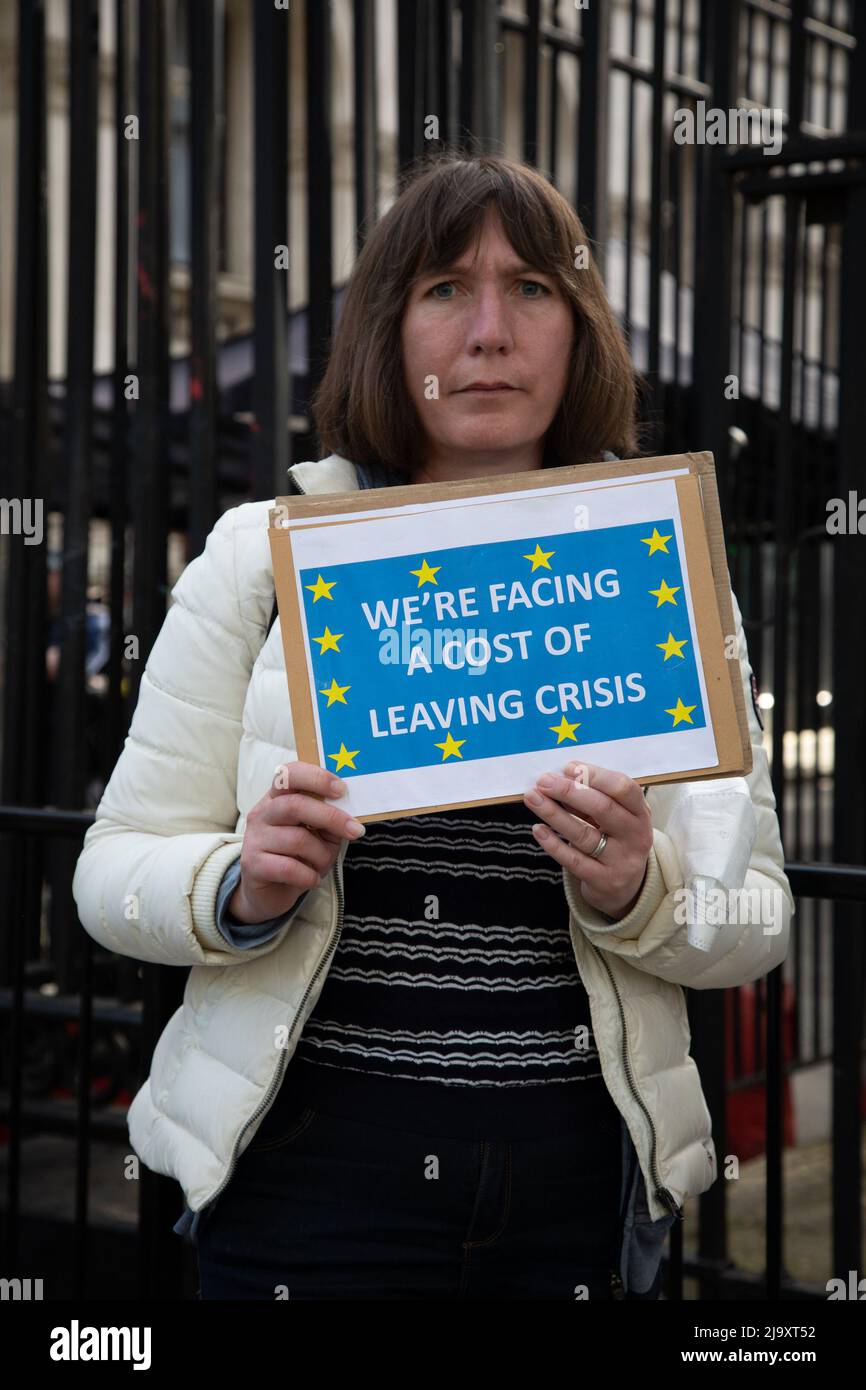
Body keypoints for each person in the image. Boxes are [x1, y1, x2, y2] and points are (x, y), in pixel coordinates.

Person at [72, 151, 793, 1301]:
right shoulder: (259, 560)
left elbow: (755, 918)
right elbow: (107, 872)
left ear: (578, 330)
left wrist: (637, 893)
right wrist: (236, 887)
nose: (489, 331)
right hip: (309, 1193)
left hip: (571, 1205)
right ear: (387, 330)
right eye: (444, 288)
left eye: (533, 290)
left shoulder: (655, 566)